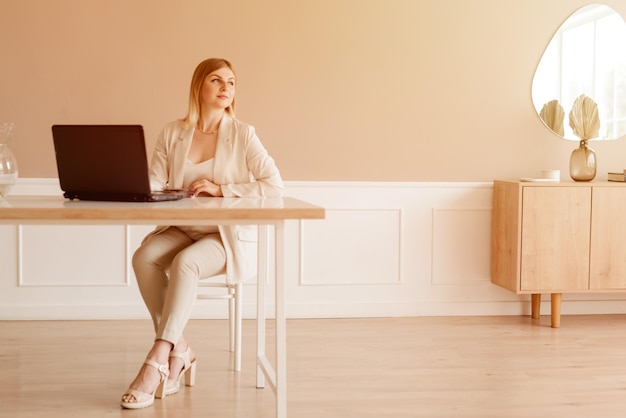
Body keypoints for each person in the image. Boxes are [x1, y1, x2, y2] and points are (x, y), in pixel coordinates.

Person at [120, 58, 283, 409]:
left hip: (224, 237)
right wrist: (134, 185)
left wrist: (223, 189)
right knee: (143, 257)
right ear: (199, 87)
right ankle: (181, 350)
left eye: (232, 82)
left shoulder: (243, 134)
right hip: (181, 227)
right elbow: (156, 178)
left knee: (186, 264)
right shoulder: (173, 132)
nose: (226, 87)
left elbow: (273, 184)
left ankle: (157, 359)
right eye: (217, 80)